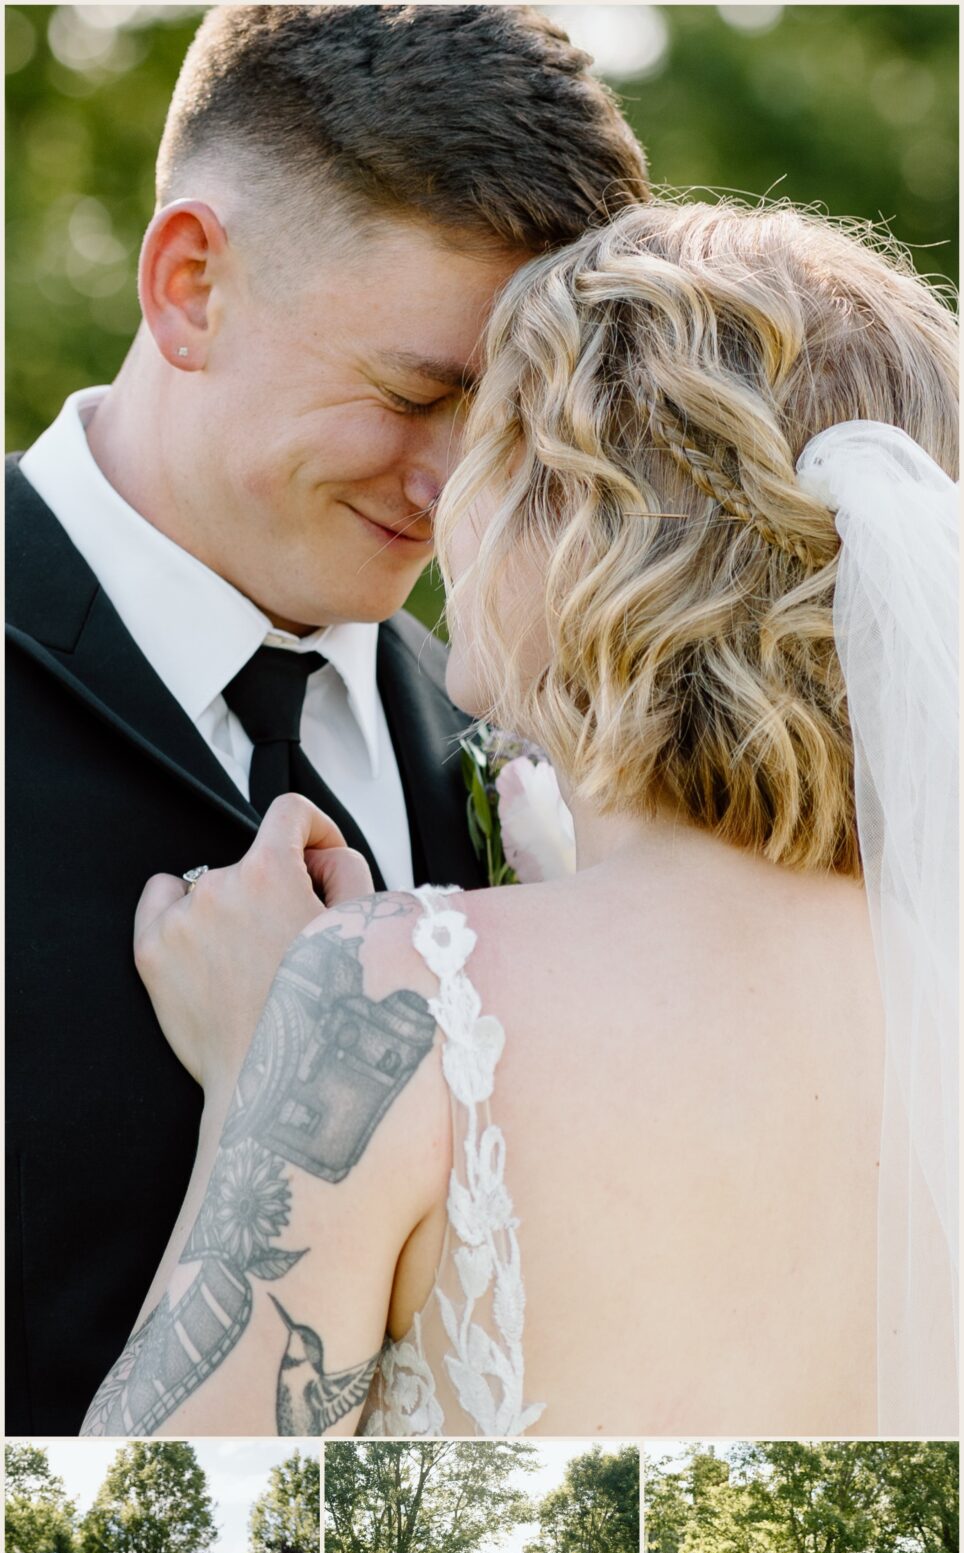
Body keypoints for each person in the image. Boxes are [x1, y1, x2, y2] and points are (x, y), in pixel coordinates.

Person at [80, 195, 958, 1442]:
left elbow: (151, 1522)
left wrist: (251, 1076)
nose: (442, 502)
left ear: (579, 529)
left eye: (487, 442)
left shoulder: (400, 993)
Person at [6, 2, 649, 1435]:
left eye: (516, 425)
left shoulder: (550, 759)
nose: (455, 491)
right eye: (418, 394)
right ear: (190, 286)